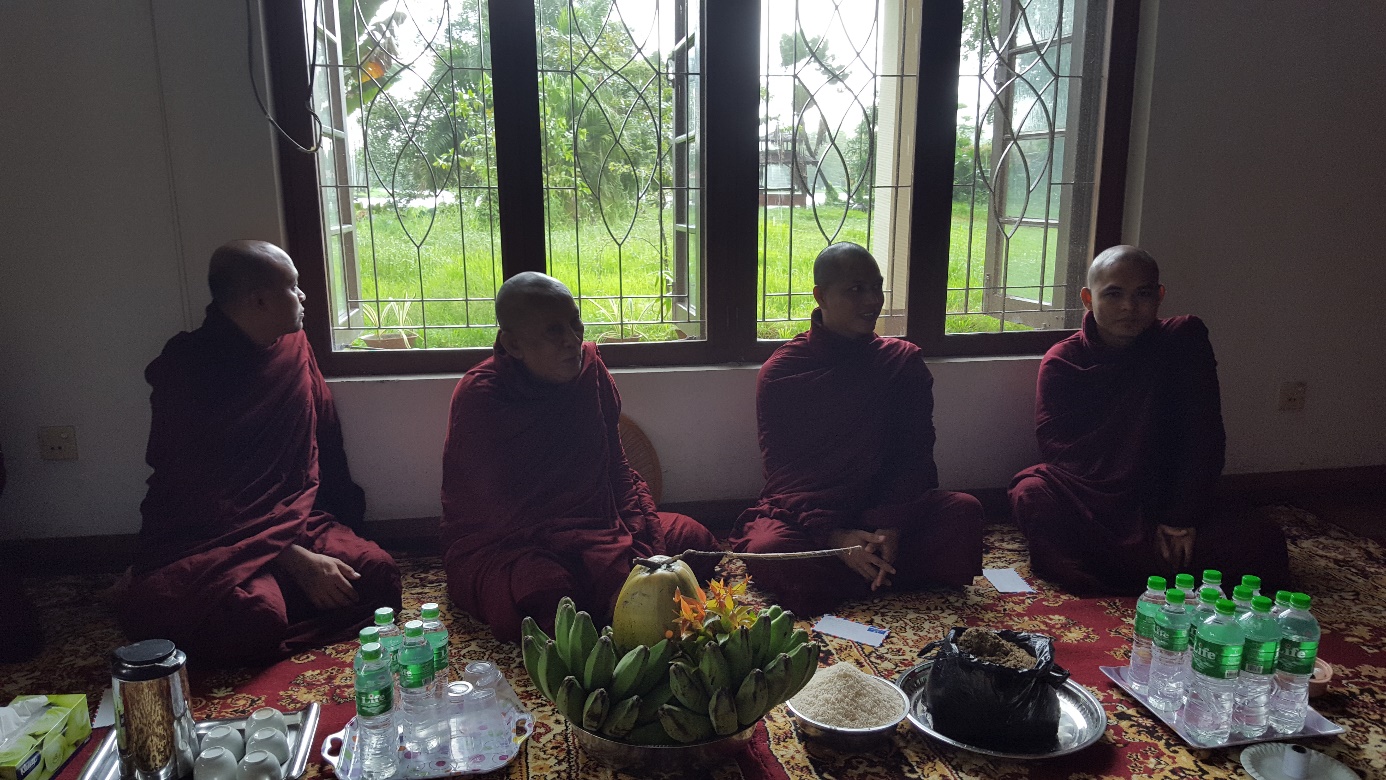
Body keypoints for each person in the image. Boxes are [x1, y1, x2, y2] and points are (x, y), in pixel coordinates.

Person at [118, 240, 401, 665]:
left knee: (378, 576)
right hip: (211, 536)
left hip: (293, 515)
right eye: (294, 286)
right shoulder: (189, 369)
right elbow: (195, 494)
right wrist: (296, 560)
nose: (304, 296)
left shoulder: (292, 347)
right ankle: (268, 594)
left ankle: (275, 593)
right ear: (259, 300)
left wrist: (330, 525)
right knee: (253, 619)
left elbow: (324, 437)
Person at [440, 272, 720, 643]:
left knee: (693, 539)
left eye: (576, 324)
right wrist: (586, 547)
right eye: (554, 331)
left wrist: (635, 540)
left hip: (601, 523)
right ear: (513, 344)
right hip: (522, 542)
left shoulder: (591, 369)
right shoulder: (482, 396)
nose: (573, 341)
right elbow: (486, 512)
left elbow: (616, 466)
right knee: (546, 590)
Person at [1008, 245, 1289, 595]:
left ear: (1159, 296)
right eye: (1113, 294)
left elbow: (1203, 436)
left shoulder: (1182, 343)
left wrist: (1179, 517)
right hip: (1095, 503)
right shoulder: (1064, 362)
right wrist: (1125, 512)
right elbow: (1063, 454)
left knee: (1263, 541)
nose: (1129, 307)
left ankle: (1118, 569)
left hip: (1163, 495)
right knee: (1032, 493)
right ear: (1087, 298)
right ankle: (1161, 570)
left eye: (1142, 294)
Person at [729, 243, 985, 616]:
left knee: (964, 512)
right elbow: (784, 478)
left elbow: (914, 454)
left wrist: (889, 526)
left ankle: (862, 570)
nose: (872, 300)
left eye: (877, 287)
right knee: (768, 549)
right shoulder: (783, 373)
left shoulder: (901, 363)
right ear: (821, 296)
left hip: (885, 508)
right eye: (855, 289)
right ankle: (880, 573)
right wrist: (836, 539)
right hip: (815, 517)